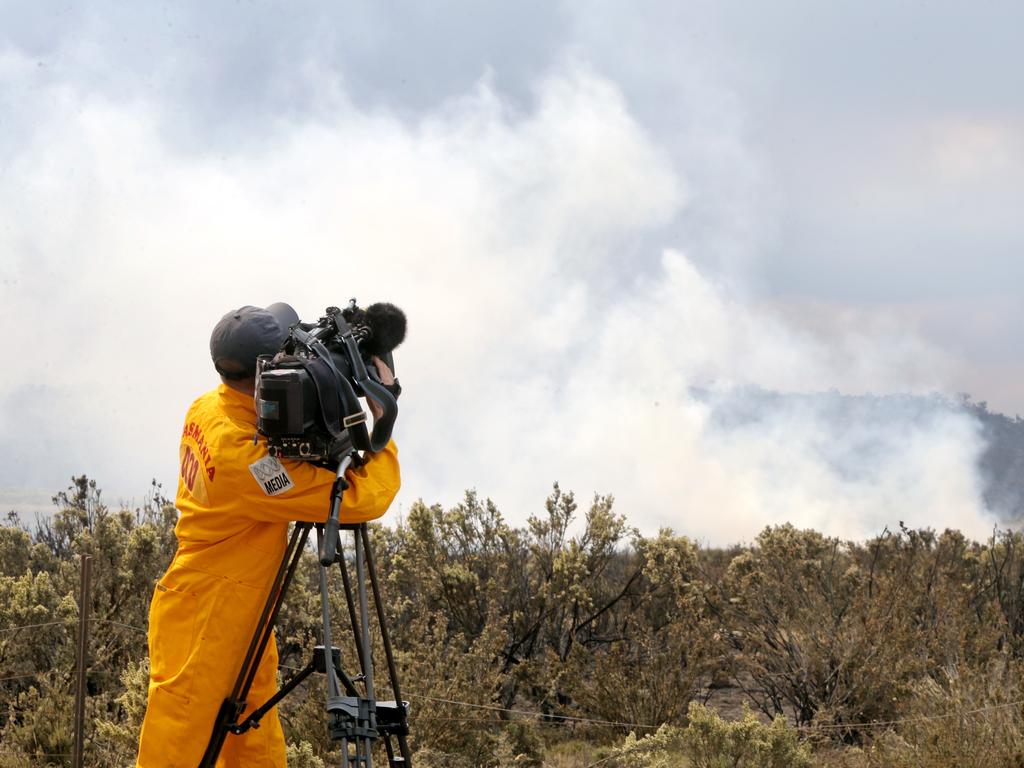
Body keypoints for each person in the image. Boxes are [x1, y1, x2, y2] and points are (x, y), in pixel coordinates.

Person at [136, 303, 400, 768]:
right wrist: (382, 416)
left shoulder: (210, 407)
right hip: (210, 621)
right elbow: (359, 498)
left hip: (232, 611)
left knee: (253, 750)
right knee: (175, 753)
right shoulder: (247, 461)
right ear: (266, 372)